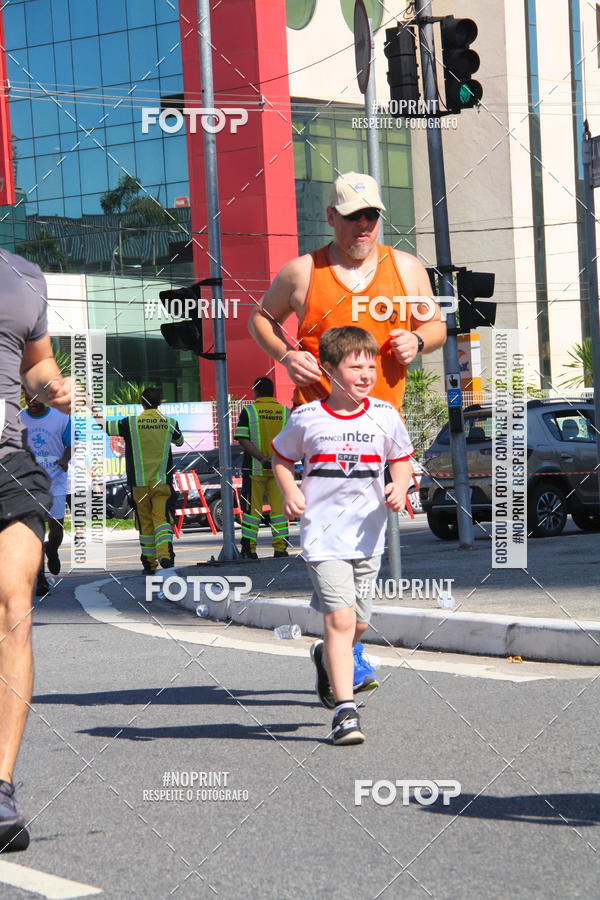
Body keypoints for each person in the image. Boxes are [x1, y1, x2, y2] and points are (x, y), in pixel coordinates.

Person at [272, 327, 413, 745]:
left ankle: (323, 657)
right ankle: (345, 713)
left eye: (371, 366)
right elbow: (281, 459)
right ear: (329, 370)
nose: (367, 373)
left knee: (360, 623)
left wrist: (400, 486)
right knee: (340, 619)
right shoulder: (306, 418)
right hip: (322, 535)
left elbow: (401, 459)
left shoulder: (385, 414)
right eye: (356, 367)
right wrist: (291, 490)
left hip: (368, 536)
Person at [248, 171, 446, 411]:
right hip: (317, 425)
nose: (363, 224)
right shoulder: (302, 271)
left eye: (371, 215)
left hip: (383, 424)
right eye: (353, 215)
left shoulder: (406, 268)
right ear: (331, 216)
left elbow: (436, 325)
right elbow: (260, 318)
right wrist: (287, 356)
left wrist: (417, 340)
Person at [0, 248, 71, 851]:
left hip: (8, 459)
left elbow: (37, 364)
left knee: (11, 609)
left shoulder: (25, 274)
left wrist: (55, 385)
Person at [105, 387, 184, 573]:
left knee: (145, 523)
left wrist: (92, 410)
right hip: (161, 482)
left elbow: (107, 428)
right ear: (160, 403)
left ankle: (149, 565)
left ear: (141, 403)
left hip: (139, 484)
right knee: (163, 519)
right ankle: (165, 556)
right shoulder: (170, 423)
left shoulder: (131, 423)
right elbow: (180, 442)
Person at [20, 394, 71, 595]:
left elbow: (70, 444)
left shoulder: (61, 418)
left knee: (56, 530)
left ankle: (52, 549)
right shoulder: (18, 418)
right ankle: (40, 578)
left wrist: (65, 460)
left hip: (56, 480)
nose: (31, 400)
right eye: (27, 396)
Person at [234, 376, 289, 559]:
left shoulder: (249, 411)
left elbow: (242, 438)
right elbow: (292, 441)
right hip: (279, 470)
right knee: (279, 511)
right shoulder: (285, 412)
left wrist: (262, 458)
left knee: (251, 511)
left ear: (256, 391)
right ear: (272, 392)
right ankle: (280, 549)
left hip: (254, 470)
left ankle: (250, 549)